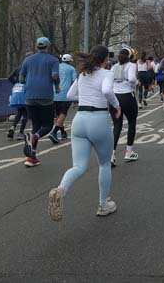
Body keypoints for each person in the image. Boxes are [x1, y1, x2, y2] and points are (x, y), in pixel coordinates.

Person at [47, 45, 121, 221]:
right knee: (104, 164)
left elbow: (71, 94)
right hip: (99, 119)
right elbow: (107, 91)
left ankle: (61, 190)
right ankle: (103, 204)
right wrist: (116, 106)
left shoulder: (83, 74)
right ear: (105, 60)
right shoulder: (107, 73)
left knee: (78, 166)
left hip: (80, 119)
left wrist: (87, 97)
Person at [19, 37, 60, 167]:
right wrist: (57, 86)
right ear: (48, 46)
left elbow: (21, 79)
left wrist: (30, 82)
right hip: (45, 96)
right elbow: (54, 75)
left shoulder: (28, 60)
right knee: (47, 126)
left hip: (29, 96)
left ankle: (32, 158)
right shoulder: (53, 60)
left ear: (36, 46)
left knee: (36, 125)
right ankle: (36, 137)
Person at [111, 47, 139, 166]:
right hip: (128, 97)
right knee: (132, 123)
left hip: (115, 97)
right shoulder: (131, 66)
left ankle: (111, 155)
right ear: (130, 56)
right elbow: (132, 79)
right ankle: (128, 151)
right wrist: (136, 83)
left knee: (117, 126)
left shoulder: (114, 67)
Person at [50, 54, 77, 142]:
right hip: (65, 94)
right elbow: (74, 81)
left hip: (55, 93)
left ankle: (63, 133)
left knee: (58, 115)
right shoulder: (71, 69)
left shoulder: (56, 67)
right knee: (63, 114)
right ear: (69, 61)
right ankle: (54, 132)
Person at [7, 53, 32, 140]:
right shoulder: (30, 69)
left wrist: (16, 84)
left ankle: (13, 127)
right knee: (26, 112)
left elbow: (9, 77)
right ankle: (21, 132)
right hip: (25, 90)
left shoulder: (18, 67)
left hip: (17, 89)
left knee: (19, 111)